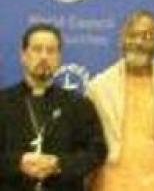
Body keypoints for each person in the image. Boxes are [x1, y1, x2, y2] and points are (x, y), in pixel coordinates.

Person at [87, 10, 154, 191]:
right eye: (132, 35)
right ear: (122, 39)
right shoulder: (99, 87)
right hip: (110, 184)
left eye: (147, 36)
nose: (139, 42)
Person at [0, 23, 107, 191]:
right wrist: (18, 163)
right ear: (23, 55)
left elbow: (97, 151)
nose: (44, 56)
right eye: (37, 49)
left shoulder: (78, 104)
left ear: (59, 58)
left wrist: (59, 164)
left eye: (51, 51)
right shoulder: (3, 102)